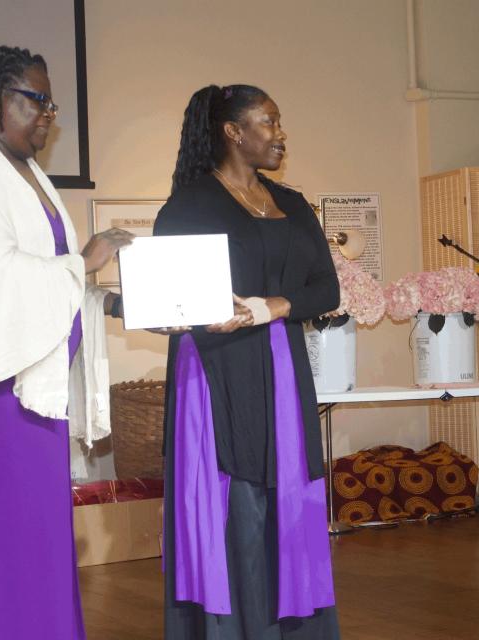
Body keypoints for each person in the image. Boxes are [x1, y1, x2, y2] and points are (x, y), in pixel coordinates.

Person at [0, 46, 133, 639]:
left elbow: (45, 271)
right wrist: (83, 263)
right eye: (36, 101)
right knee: (0, 533)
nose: (48, 116)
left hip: (29, 381)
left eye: (51, 103)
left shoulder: (24, 170)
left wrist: (104, 295)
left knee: (36, 530)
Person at [153, 84, 341, 639]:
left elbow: (325, 289)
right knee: (235, 500)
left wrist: (271, 306)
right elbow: (168, 301)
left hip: (281, 364)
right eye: (269, 122)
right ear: (234, 132)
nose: (280, 134)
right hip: (215, 369)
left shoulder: (295, 203)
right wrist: (165, 312)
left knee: (289, 493)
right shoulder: (189, 205)